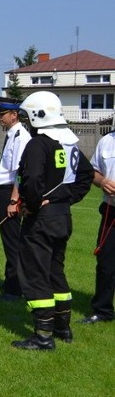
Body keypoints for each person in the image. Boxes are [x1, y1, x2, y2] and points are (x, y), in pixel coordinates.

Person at [12, 91, 92, 350]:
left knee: (36, 274)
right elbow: (86, 176)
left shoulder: (39, 144)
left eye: (26, 116)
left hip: (41, 220)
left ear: (37, 115)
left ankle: (43, 336)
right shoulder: (69, 142)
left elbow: (33, 180)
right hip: (62, 217)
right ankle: (63, 328)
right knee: (56, 271)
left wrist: (32, 206)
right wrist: (65, 199)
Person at [0, 96, 31, 301]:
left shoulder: (21, 137)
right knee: (9, 239)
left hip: (10, 192)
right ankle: (11, 280)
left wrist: (13, 200)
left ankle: (15, 288)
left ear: (14, 114)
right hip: (5, 190)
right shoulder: (11, 134)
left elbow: (19, 171)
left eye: (2, 114)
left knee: (13, 241)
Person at [85, 125, 115, 326]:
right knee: (106, 263)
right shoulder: (107, 141)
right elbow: (93, 172)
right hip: (110, 211)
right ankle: (103, 310)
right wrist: (102, 181)